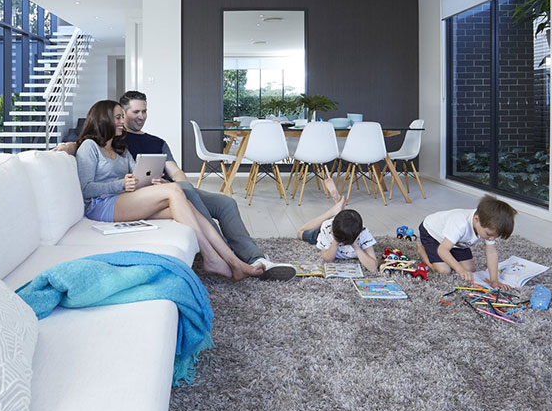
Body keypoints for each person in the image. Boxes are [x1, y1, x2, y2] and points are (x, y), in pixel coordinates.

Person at [74, 99, 263, 281]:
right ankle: (211, 258)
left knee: (187, 205)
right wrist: (120, 184)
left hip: (124, 199)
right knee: (174, 190)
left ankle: (234, 261)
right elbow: (85, 189)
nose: (123, 122)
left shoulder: (119, 148)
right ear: (103, 119)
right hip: (101, 205)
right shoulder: (89, 147)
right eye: (118, 117)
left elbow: (136, 173)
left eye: (122, 117)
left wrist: (149, 182)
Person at [119, 90, 297, 282]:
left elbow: (176, 172)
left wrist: (175, 184)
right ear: (123, 112)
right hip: (147, 197)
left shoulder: (156, 142)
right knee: (183, 189)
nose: (141, 117)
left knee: (225, 203)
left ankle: (257, 258)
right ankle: (228, 256)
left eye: (144, 111)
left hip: (174, 191)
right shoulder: (118, 141)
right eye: (136, 112)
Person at [416, 194, 516, 288]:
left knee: (469, 269)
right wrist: (460, 269)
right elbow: (442, 250)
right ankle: (422, 250)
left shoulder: (487, 225)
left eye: (495, 237)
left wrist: (494, 280)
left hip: (456, 242)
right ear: (476, 219)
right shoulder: (460, 223)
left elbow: (491, 252)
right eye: (489, 235)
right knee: (444, 270)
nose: (491, 239)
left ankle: (450, 250)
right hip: (432, 234)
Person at [297, 177, 378, 272]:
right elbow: (327, 258)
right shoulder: (328, 229)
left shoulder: (363, 233)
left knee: (347, 224)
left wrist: (355, 245)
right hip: (325, 233)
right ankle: (332, 212)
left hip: (345, 230)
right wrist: (335, 242)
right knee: (300, 233)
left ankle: (337, 208)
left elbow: (373, 267)